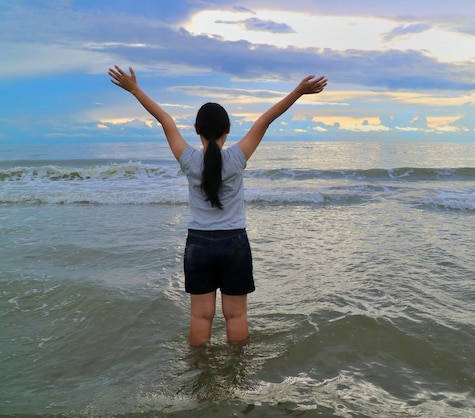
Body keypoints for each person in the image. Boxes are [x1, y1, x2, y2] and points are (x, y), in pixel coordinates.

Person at [108, 65, 327, 346]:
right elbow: (265, 120)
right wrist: (298, 92)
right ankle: (236, 370)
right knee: (236, 316)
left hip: (198, 243)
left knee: (201, 317)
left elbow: (164, 119)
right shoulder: (237, 158)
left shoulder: (188, 160)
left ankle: (200, 371)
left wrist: (135, 89)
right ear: (228, 130)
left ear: (196, 129)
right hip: (233, 241)